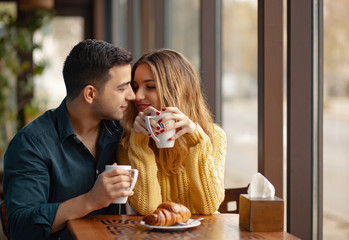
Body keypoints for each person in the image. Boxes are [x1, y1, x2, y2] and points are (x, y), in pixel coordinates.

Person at [3, 39, 136, 239]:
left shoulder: (122, 133)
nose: (132, 95)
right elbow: (21, 227)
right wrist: (90, 200)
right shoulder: (31, 144)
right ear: (90, 94)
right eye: (122, 88)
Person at [117, 49, 226, 215]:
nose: (137, 96)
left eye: (151, 86)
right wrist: (139, 143)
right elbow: (148, 209)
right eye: (135, 86)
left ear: (177, 90)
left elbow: (208, 206)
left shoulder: (213, 136)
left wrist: (197, 141)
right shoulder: (128, 141)